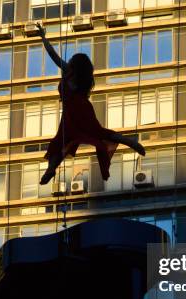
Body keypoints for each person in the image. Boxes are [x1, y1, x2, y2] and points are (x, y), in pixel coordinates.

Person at [37, 23, 145, 185]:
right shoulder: (80, 78)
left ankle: (51, 168)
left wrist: (44, 38)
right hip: (80, 109)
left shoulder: (69, 72)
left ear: (75, 65)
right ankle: (131, 142)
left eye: (72, 59)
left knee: (61, 141)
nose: (69, 60)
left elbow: (53, 56)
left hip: (72, 111)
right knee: (97, 133)